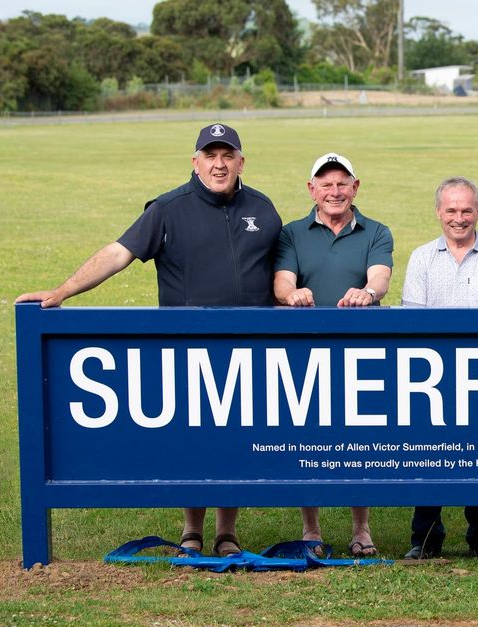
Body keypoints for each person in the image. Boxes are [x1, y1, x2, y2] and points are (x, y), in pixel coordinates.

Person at [16, 123, 282, 557]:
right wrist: (63, 291)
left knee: (234, 438)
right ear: (195, 162)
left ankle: (227, 532)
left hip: (248, 349)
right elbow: (118, 253)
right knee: (194, 440)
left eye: (227, 156)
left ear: (241, 162)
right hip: (189, 350)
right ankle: (191, 530)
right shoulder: (167, 209)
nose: (219, 165)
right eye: (210, 156)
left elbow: (280, 271)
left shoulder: (263, 208)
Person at [273, 151, 393, 557]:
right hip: (306, 350)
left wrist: (368, 292)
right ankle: (311, 529)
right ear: (312, 189)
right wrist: (291, 294)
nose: (335, 191)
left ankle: (362, 529)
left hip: (360, 352)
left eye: (343, 183)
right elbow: (282, 280)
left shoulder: (377, 231)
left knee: (360, 438)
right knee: (308, 437)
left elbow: (380, 277)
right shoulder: (292, 233)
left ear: (355, 188)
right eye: (326, 184)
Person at [400, 176, 478, 562]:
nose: (459, 218)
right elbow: (414, 322)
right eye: (451, 210)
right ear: (438, 212)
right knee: (429, 453)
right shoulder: (422, 257)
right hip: (431, 373)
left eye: (466, 210)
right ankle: (426, 537)